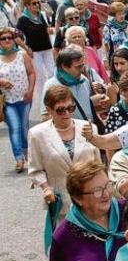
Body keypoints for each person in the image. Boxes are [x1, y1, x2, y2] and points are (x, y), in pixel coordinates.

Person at [28, 85, 101, 218]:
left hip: (91, 199)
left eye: (70, 108)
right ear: (49, 110)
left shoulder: (88, 128)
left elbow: (98, 165)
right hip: (61, 202)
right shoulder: (37, 134)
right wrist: (46, 188)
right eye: (60, 110)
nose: (67, 113)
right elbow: (35, 169)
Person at [40, 46, 108, 127]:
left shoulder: (84, 80)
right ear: (64, 66)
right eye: (78, 67)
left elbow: (89, 105)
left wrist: (100, 101)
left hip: (88, 131)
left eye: (82, 65)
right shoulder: (51, 85)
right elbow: (45, 116)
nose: (82, 69)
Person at [0, 26, 35, 172]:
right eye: (3, 38)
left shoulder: (22, 55)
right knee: (15, 128)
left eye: (10, 38)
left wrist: (31, 91)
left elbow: (31, 73)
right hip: (8, 100)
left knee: (24, 127)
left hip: (25, 97)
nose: (7, 40)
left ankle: (28, 153)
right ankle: (19, 158)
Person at [16, 0, 53, 112]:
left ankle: (53, 95)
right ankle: (43, 102)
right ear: (27, 5)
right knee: (40, 76)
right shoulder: (23, 19)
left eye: (38, 2)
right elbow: (16, 37)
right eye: (33, 3)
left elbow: (48, 29)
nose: (37, 5)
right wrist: (27, 48)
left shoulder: (41, 15)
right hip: (35, 51)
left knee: (52, 72)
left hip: (47, 48)